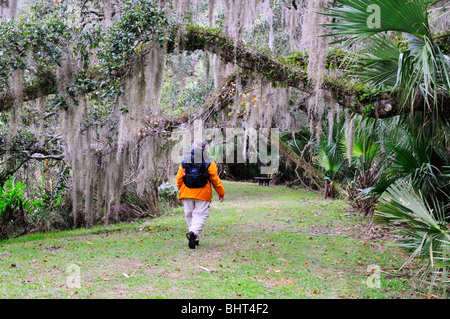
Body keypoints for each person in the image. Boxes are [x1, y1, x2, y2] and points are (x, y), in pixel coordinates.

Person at [176, 139, 225, 249]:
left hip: (187, 192)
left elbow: (179, 178)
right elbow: (215, 180)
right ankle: (193, 233)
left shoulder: (184, 160)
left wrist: (181, 189)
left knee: (189, 215)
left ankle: (194, 238)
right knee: (201, 215)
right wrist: (221, 193)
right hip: (203, 193)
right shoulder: (209, 161)